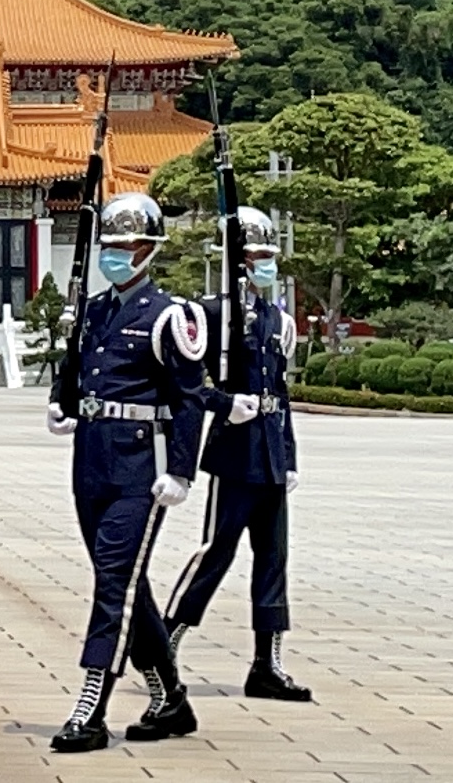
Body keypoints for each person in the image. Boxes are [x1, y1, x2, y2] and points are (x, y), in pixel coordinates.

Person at [45, 191, 208, 753]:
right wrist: (61, 401)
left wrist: (182, 472)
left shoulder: (169, 315)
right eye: (109, 245)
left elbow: (189, 399)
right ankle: (170, 700)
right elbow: (75, 368)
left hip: (142, 466)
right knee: (127, 584)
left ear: (149, 250)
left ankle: (91, 705)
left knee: (113, 583)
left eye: (127, 246)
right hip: (91, 459)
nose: (115, 255)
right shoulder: (93, 309)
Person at [163, 205, 310, 712]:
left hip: (268, 453)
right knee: (215, 552)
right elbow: (188, 383)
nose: (266, 264)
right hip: (233, 452)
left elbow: (282, 393)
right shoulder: (209, 314)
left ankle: (267, 665)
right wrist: (225, 404)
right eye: (257, 255)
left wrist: (288, 456)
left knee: (274, 560)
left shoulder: (277, 320)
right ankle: (166, 643)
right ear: (236, 259)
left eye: (271, 255)